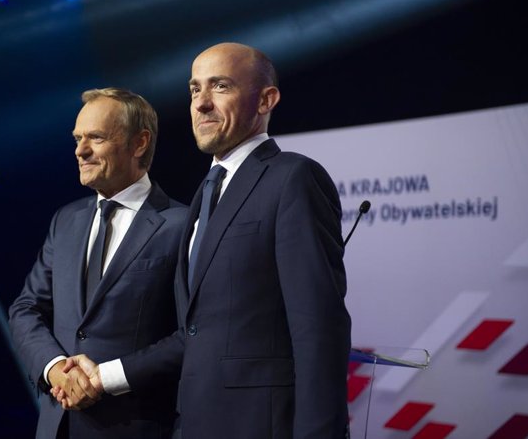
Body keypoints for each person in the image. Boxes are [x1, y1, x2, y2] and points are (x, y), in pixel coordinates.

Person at [57, 43, 352, 438]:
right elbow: (196, 333)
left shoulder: (292, 178)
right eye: (195, 89)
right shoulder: (204, 196)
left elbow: (318, 327)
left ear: (266, 99)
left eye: (221, 86)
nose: (201, 104)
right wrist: (104, 376)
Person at [8, 87, 188, 439]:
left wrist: (105, 378)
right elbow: (26, 308)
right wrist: (56, 368)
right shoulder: (66, 220)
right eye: (77, 138)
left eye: (96, 138)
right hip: (58, 425)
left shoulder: (182, 225)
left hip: (138, 427)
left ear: (139, 144)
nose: (80, 150)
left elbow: (191, 334)